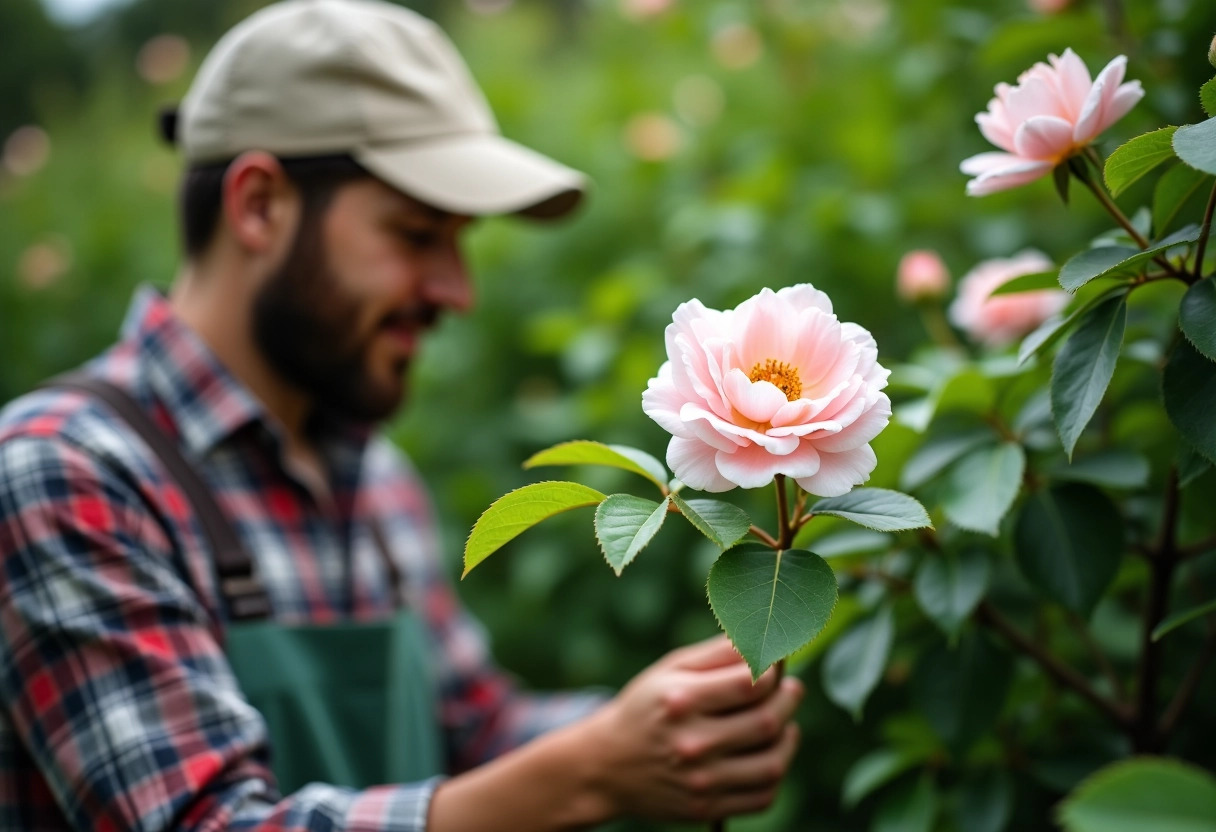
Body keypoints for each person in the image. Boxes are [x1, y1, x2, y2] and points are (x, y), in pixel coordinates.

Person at [0, 1, 803, 829]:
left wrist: (672, 721)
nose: (456, 291)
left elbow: (477, 732)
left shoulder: (372, 475)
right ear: (259, 206)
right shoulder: (66, 473)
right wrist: (591, 774)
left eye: (459, 243)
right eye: (417, 235)